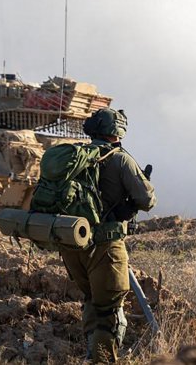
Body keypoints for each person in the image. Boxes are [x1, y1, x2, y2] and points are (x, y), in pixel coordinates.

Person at [57, 108, 156, 363]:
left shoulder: (74, 156)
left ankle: (92, 354)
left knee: (92, 300)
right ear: (117, 132)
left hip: (72, 244)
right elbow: (147, 200)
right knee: (109, 311)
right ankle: (101, 359)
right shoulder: (119, 158)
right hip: (105, 246)